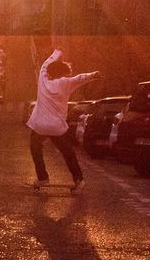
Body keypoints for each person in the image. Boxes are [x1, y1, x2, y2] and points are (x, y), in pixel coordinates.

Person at [26, 48, 99, 191]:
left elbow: (46, 64)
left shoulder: (43, 80)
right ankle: (78, 179)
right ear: (64, 74)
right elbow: (80, 78)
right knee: (68, 152)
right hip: (57, 127)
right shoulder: (66, 83)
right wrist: (93, 75)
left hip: (40, 126)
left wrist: (57, 52)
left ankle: (43, 178)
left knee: (35, 147)